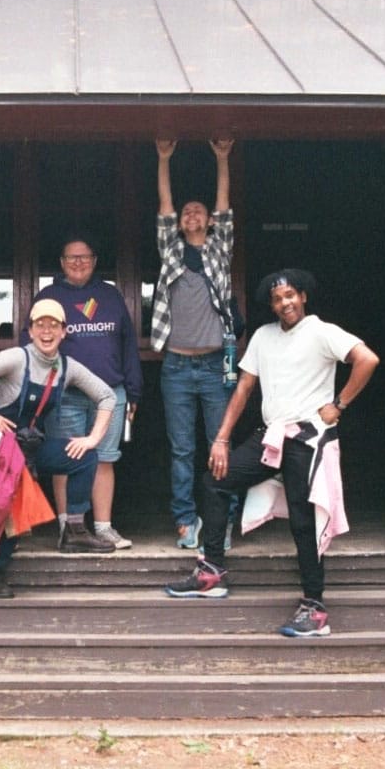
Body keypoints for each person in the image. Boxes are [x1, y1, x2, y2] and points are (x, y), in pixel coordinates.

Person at [164, 268, 379, 640]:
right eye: (278, 299)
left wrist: (339, 404)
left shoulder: (321, 331)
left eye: (291, 295)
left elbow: (367, 359)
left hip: (308, 437)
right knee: (215, 480)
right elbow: (244, 388)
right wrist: (221, 439)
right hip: (271, 435)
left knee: (302, 519)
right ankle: (211, 571)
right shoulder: (263, 337)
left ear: (303, 296)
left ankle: (314, 607)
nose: (285, 303)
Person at [0, 299, 117, 598]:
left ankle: (74, 531)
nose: (46, 331)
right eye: (40, 325)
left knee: (84, 457)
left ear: (64, 332)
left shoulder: (67, 367)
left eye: (53, 325)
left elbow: (107, 396)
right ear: (30, 331)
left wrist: (92, 438)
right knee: (6, 498)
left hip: (27, 449)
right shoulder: (17, 358)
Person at [23, 236, 143, 549]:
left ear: (94, 260)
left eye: (85, 257)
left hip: (110, 393)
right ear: (61, 263)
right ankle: (69, 528)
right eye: (72, 257)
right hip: (65, 394)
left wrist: (134, 391)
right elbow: (30, 344)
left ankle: (103, 528)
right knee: (66, 460)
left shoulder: (111, 295)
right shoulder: (49, 297)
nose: (79, 262)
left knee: (104, 459)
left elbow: (128, 344)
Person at [151, 138, 236, 549]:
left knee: (221, 446)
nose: (192, 215)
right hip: (177, 367)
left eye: (198, 212)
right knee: (182, 449)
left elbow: (224, 207)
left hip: (217, 364)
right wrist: (164, 159)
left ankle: (221, 521)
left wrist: (222, 158)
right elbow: (164, 208)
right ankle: (185, 521)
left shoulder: (220, 249)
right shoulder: (171, 250)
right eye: (187, 212)